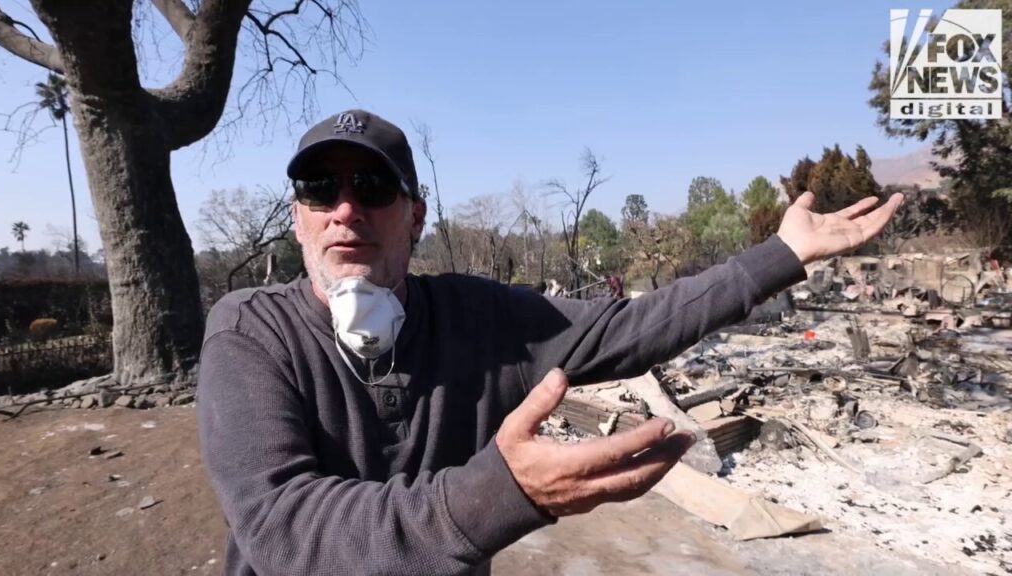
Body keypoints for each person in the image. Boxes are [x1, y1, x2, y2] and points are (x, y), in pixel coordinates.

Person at [198, 109, 902, 576]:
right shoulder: (250, 331)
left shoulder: (481, 317)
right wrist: (502, 492)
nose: (346, 210)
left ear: (415, 216)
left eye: (374, 186)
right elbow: (283, 526)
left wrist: (779, 254)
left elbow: (633, 326)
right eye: (321, 189)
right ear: (297, 219)